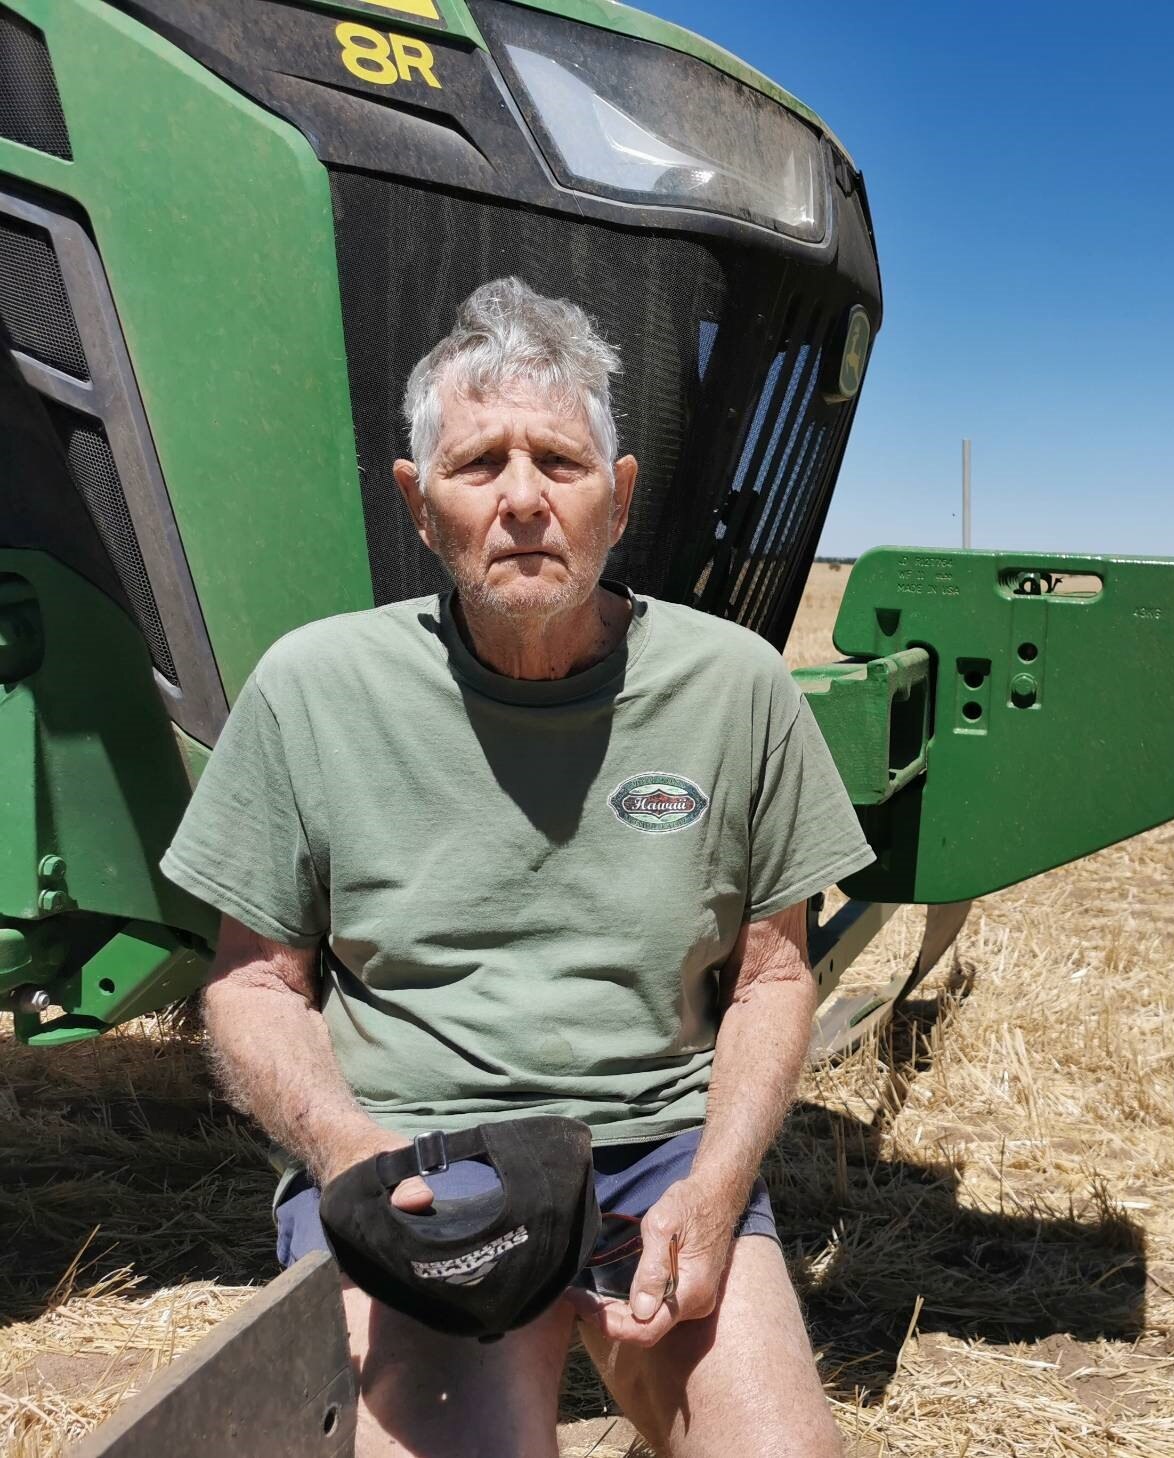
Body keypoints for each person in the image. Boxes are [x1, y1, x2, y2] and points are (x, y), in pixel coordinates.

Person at [160, 277, 874, 1457]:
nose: (525, 499)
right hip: (418, 1152)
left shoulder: (735, 687)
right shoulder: (315, 689)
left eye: (561, 460)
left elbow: (774, 977)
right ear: (421, 506)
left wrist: (719, 1179)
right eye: (481, 463)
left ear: (620, 498)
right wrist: (351, 1155)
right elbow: (251, 986)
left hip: (658, 1153)